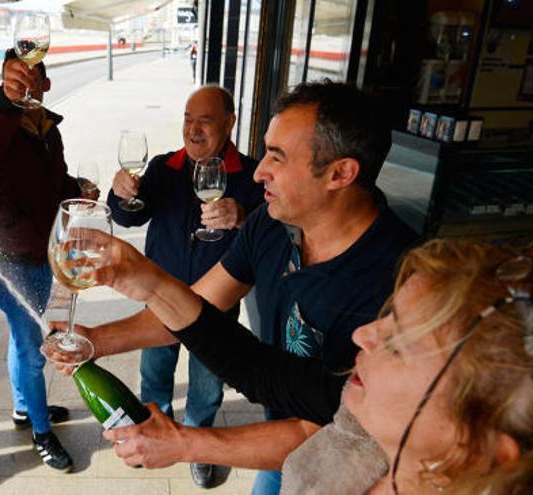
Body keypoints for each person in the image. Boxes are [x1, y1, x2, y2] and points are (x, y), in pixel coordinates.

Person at [69, 79, 418, 494]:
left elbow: (329, 429)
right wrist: (92, 339)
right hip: (276, 430)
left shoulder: (401, 285)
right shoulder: (271, 223)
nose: (259, 171)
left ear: (340, 173)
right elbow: (199, 309)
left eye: (278, 157)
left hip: (342, 468)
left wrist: (183, 443)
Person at [88, 232, 533, 494]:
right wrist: (151, 282)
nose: (363, 334)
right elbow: (256, 369)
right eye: (389, 316)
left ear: (476, 450)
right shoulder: (363, 423)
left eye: (399, 343)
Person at [105, 84, 264, 488]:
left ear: (229, 123)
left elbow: (272, 232)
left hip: (215, 306)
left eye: (205, 121)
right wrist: (120, 194)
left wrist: (243, 217)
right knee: (154, 376)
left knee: (208, 386)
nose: (193, 130)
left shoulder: (250, 175)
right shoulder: (164, 167)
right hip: (160, 301)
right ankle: (154, 435)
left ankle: (197, 446)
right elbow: (128, 219)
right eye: (187, 120)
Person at [0, 49, 93, 473]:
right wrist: (3, 100)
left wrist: (77, 188)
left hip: (46, 251)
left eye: (32, 79)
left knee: (24, 342)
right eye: (15, 80)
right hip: (11, 257)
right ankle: (42, 433)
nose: (26, 86)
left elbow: (52, 181)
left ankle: (25, 409)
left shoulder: (47, 129)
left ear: (46, 83)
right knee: (32, 347)